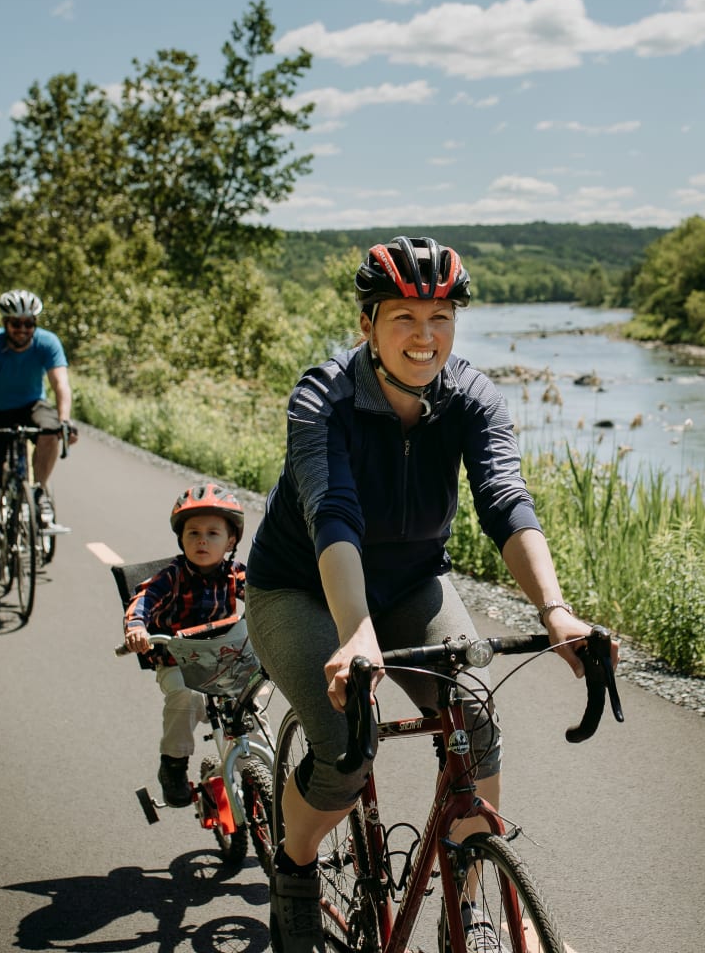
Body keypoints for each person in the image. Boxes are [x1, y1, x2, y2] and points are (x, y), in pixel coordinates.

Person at [244, 235, 620, 953]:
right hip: (301, 587)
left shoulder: (472, 398)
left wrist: (556, 611)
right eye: (404, 319)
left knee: (473, 719)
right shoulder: (322, 399)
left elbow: (506, 499)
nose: (425, 337)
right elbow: (333, 512)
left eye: (440, 318)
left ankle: (471, 906)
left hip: (411, 583)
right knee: (344, 754)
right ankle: (294, 866)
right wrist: (356, 633)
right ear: (367, 326)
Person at [122, 483, 248, 807]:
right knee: (185, 695)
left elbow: (267, 595)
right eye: (192, 533)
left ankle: (256, 769)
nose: (202, 540)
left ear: (231, 540)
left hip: (222, 661)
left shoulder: (236, 575)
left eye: (212, 533)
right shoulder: (173, 576)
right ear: (181, 539)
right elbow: (144, 599)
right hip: (176, 661)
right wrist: (137, 626)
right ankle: (173, 765)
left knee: (254, 702)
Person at [0, 289, 78, 583]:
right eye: (16, 323)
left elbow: (60, 383)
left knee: (52, 429)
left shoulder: (47, 342)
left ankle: (39, 492)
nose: (23, 329)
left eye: (29, 323)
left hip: (32, 405)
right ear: (5, 323)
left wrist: (65, 421)